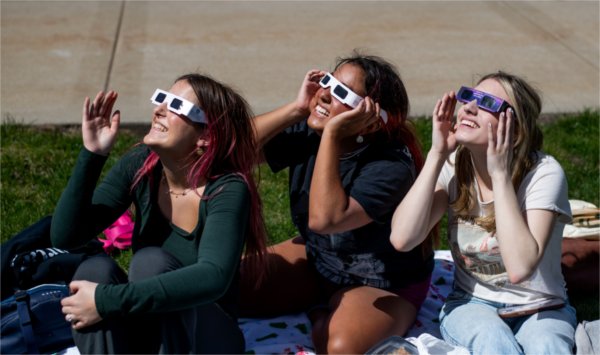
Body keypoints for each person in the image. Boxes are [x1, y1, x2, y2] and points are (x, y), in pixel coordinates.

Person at [51, 73, 267, 354]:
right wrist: (92, 153)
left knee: (150, 263)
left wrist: (106, 301)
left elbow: (213, 276)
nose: (159, 110)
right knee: (94, 270)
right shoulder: (141, 164)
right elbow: (66, 236)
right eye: (162, 98)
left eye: (176, 105)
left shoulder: (227, 189)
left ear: (207, 136)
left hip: (209, 336)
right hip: (151, 329)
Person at [239, 52, 435, 354]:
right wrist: (296, 109)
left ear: (371, 121)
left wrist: (331, 133)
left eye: (342, 93)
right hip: (320, 262)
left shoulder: (391, 165)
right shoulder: (308, 129)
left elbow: (325, 219)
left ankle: (327, 315)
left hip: (383, 284)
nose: (327, 94)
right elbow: (231, 153)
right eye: (328, 81)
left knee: (337, 346)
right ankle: (325, 307)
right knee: (225, 287)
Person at [390, 71, 577, 354]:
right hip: (471, 303)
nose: (468, 107)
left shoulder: (544, 173)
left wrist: (499, 176)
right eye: (469, 96)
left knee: (548, 346)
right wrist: (436, 155)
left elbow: (519, 268)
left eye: (487, 103)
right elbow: (402, 239)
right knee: (493, 341)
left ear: (515, 129)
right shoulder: (452, 165)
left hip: (541, 304)